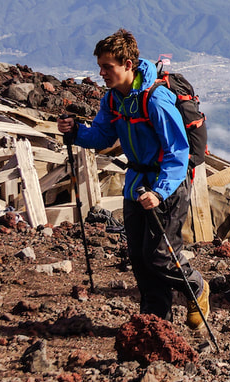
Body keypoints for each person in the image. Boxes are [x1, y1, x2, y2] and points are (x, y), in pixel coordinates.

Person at [57, 29, 209, 328]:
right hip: (136, 184)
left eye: (107, 67)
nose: (101, 73)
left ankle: (197, 287)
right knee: (140, 260)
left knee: (161, 256)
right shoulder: (114, 99)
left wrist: (161, 192)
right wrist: (76, 132)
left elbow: (177, 152)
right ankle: (156, 323)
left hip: (166, 186)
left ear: (128, 64)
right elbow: (102, 135)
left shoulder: (156, 100)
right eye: (100, 66)